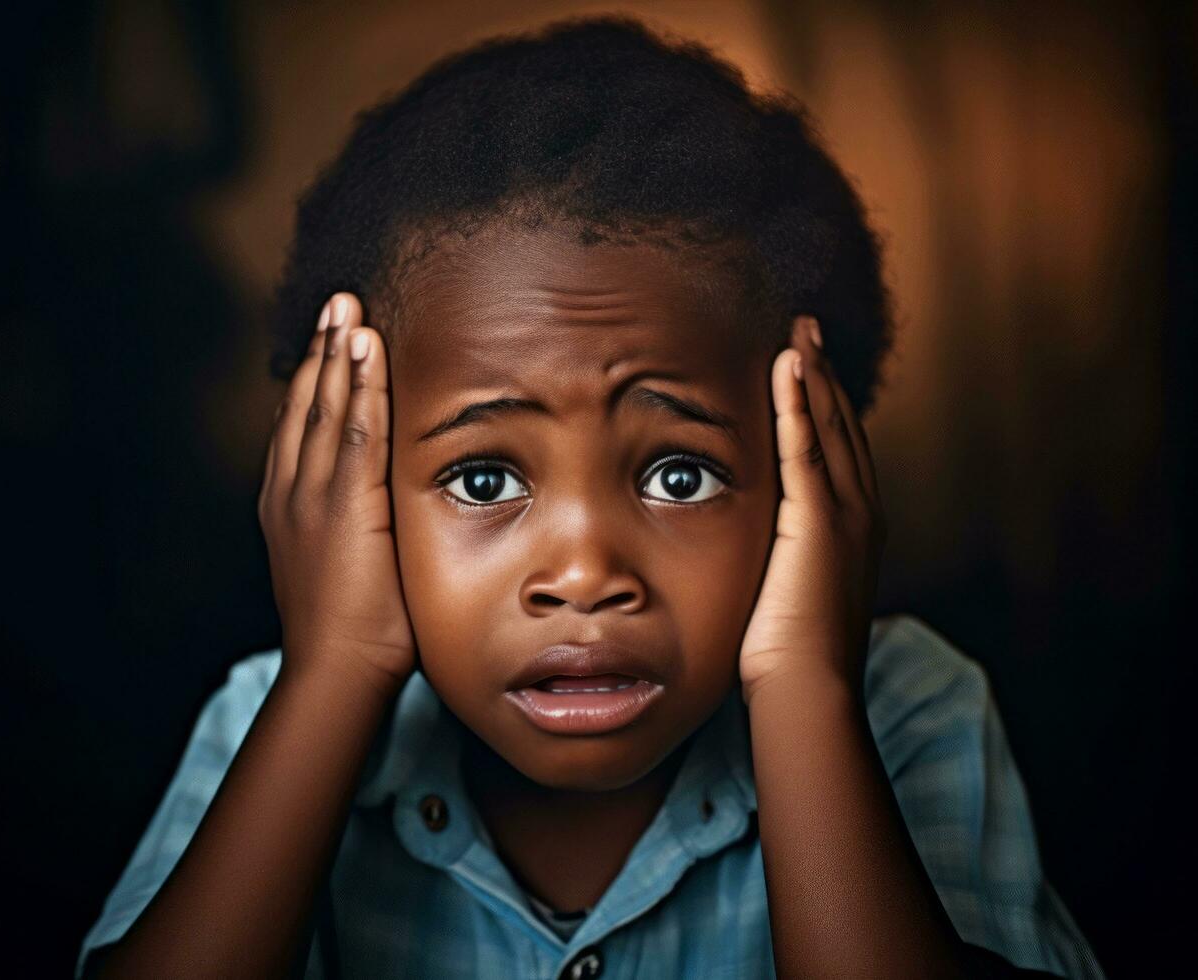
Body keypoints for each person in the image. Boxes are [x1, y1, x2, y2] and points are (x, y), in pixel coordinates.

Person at [75, 16, 1104, 979]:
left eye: (678, 474)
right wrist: (333, 672)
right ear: (350, 494)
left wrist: (802, 683)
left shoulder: (906, 705)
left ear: (809, 481)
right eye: (484, 479)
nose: (583, 572)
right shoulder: (273, 713)